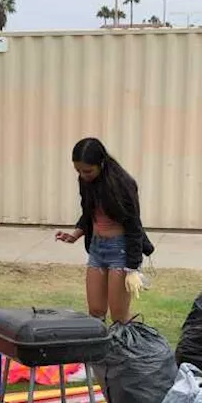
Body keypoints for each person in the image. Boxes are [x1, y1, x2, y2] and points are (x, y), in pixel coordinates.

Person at [55, 137, 154, 323]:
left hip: (120, 250)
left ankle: (126, 349)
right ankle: (98, 351)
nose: (83, 175)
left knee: (119, 316)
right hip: (97, 249)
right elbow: (88, 212)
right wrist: (75, 234)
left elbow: (134, 226)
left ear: (101, 163)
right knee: (95, 312)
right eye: (78, 171)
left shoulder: (122, 184)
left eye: (87, 171)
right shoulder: (86, 181)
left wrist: (132, 268)